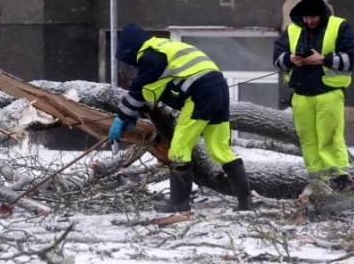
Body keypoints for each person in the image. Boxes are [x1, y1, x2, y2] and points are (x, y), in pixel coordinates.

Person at [108, 24, 252, 213]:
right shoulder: (164, 46)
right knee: (220, 149)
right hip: (218, 88)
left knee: (178, 150)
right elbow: (153, 90)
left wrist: (121, 117)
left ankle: (179, 203)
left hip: (200, 94)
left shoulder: (152, 55)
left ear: (130, 49)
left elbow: (139, 88)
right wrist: (137, 112)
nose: (132, 65)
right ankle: (246, 204)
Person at [273, 0, 354, 188]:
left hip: (328, 93)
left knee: (330, 137)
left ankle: (340, 179)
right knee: (308, 140)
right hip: (301, 95)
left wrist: (323, 59)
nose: (309, 21)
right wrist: (290, 59)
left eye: (313, 17)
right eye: (306, 17)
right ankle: (318, 182)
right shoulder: (292, 30)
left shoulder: (339, 26)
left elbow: (353, 57)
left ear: (321, 14)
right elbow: (277, 59)